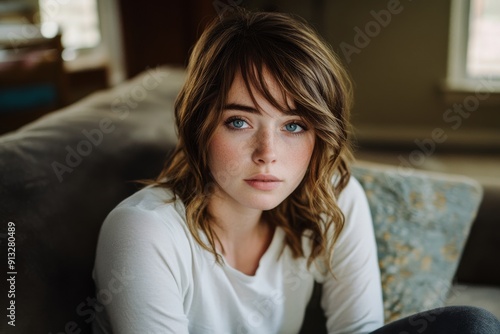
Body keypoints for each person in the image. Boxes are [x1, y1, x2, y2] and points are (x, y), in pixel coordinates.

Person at [91, 9, 500, 334]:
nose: (268, 154)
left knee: (472, 325)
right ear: (199, 125)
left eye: (293, 125)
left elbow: (358, 329)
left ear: (319, 134)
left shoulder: (334, 197)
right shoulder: (144, 230)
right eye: (239, 121)